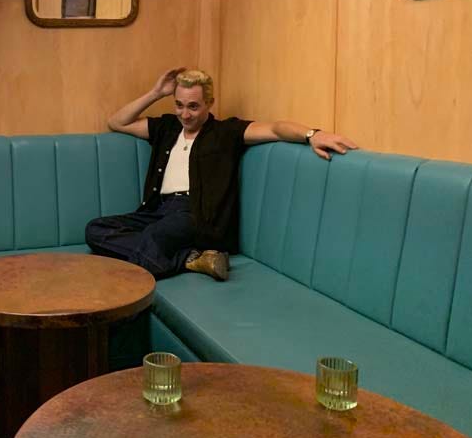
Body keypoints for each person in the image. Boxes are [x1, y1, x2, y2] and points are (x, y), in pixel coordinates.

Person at [86, 68, 357, 281]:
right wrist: (156, 93)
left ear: (209, 103)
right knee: (96, 229)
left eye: (193, 106)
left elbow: (275, 129)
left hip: (195, 214)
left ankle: (139, 276)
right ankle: (190, 260)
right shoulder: (166, 127)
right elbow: (117, 122)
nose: (185, 114)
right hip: (157, 210)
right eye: (179, 105)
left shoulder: (225, 133)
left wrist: (312, 134)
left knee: (153, 239)